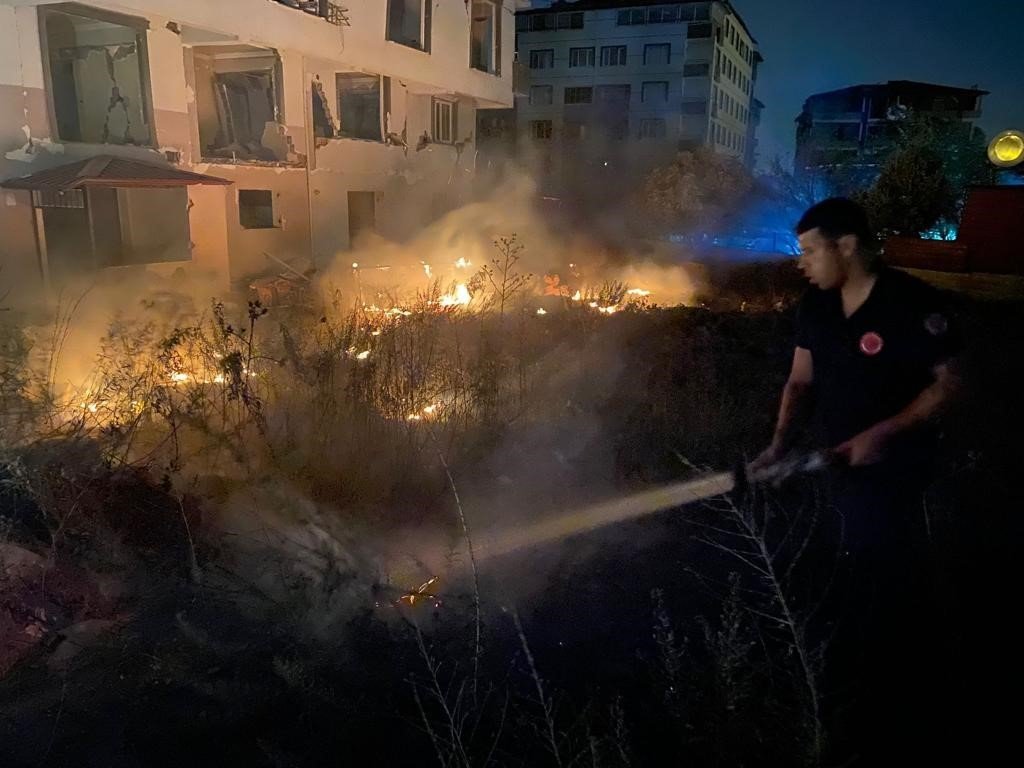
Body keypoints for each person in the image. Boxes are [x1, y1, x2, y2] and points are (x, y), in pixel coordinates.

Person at [751, 197, 964, 763]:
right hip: (834, 462)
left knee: (886, 568)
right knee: (842, 561)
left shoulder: (913, 302)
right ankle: (844, 675)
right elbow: (800, 383)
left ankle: (897, 703)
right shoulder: (816, 307)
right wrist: (778, 446)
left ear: (846, 245)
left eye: (810, 251)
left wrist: (885, 434)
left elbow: (948, 384)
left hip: (896, 469)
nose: (803, 264)